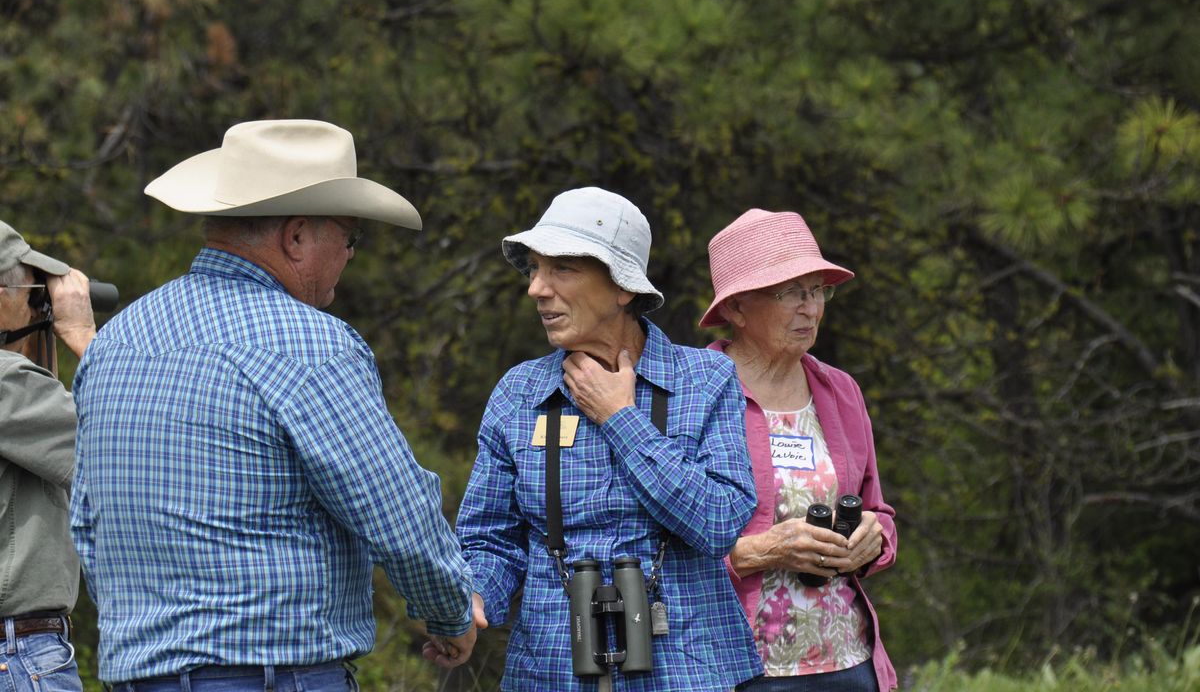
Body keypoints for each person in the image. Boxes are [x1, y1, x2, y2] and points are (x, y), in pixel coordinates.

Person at [69, 119, 477, 690]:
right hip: (272, 677)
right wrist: (451, 612)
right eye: (351, 237)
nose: (351, 255)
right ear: (297, 237)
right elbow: (396, 511)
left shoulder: (115, 341)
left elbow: (87, 521)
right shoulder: (308, 344)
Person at [455, 187, 762, 691]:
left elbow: (718, 522)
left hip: (685, 670)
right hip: (550, 671)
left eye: (563, 270)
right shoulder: (518, 394)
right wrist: (472, 600)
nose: (536, 288)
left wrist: (619, 417)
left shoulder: (705, 379)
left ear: (623, 288)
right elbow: (491, 538)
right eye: (534, 268)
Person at [700, 209, 898, 692]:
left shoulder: (840, 390)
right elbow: (651, 544)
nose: (811, 308)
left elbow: (879, 512)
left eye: (818, 291)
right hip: (739, 668)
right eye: (791, 293)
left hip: (848, 664)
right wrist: (753, 553)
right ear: (737, 309)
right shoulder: (693, 394)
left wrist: (875, 540)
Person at [0, 220, 96, 692]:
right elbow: (125, 443)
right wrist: (81, 334)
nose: (43, 308)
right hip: (15, 653)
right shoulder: (7, 384)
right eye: (35, 295)